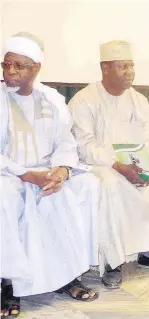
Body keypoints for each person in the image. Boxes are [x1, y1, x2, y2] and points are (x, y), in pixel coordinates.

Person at [69, 40, 149, 289]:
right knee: (111, 185)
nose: (130, 72)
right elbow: (85, 146)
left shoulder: (139, 100)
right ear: (105, 69)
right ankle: (112, 262)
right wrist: (118, 166)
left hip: (136, 164)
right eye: (123, 67)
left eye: (131, 66)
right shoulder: (84, 100)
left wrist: (146, 166)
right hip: (102, 165)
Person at [0, 33, 100, 317]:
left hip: (46, 170)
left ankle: (66, 274)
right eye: (6, 64)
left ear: (36, 69)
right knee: (5, 196)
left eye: (19, 66)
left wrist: (62, 170)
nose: (10, 72)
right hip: (8, 173)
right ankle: (8, 282)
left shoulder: (52, 99)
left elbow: (65, 142)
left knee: (88, 185)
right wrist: (26, 174)